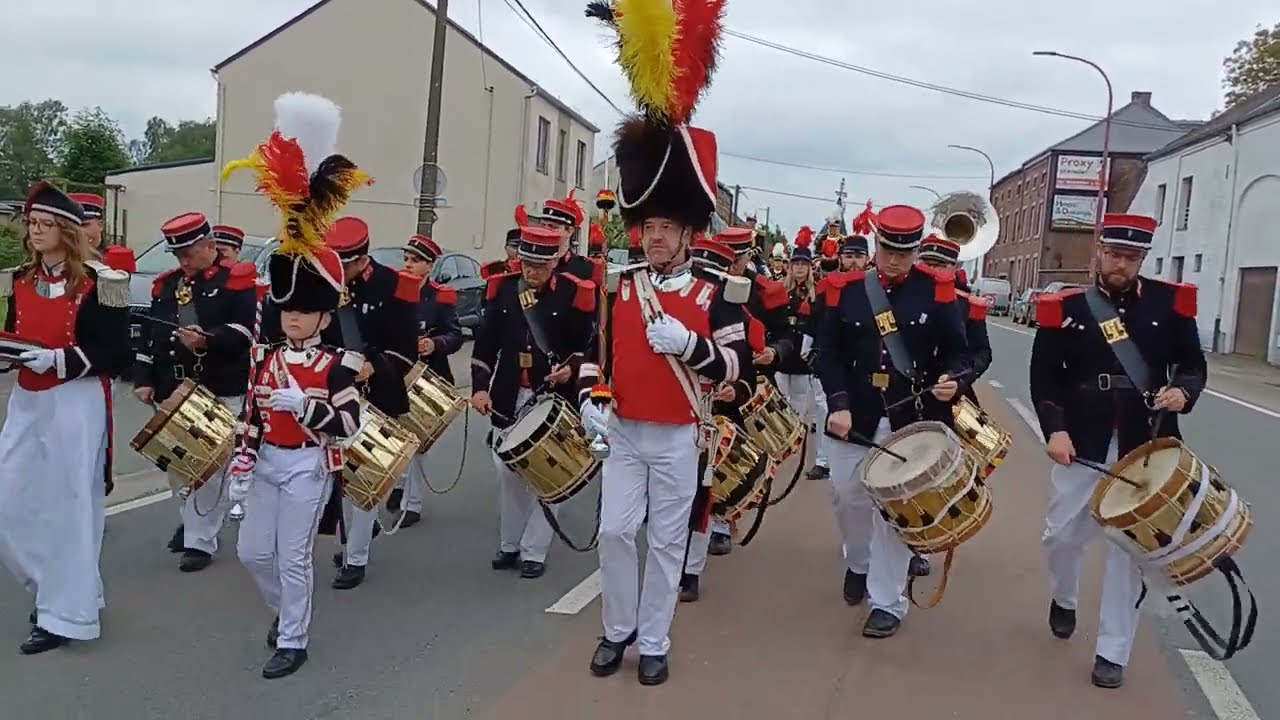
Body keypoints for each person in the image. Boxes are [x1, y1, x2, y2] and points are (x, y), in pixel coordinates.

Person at [582, 0, 752, 683]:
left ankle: (653, 640)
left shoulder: (715, 289)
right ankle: (616, 629)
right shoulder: (619, 285)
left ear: (687, 233)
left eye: (665, 229)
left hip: (681, 432)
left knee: (665, 541)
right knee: (615, 533)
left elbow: (736, 365)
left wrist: (692, 345)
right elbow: (603, 355)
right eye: (645, 227)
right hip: (624, 430)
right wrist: (597, 392)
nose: (653, 237)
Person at [220, 89, 372, 679]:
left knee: (293, 557)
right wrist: (241, 456)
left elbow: (350, 424)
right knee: (252, 553)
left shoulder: (338, 363)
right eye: (287, 312)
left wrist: (307, 406)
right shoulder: (265, 355)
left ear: (324, 316)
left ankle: (293, 638)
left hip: (309, 465)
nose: (293, 319)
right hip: (264, 466)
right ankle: (285, 615)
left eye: (304, 312)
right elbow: (251, 417)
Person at [1030, 213, 1206, 689]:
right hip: (1081, 437)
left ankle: (1113, 649)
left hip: (1146, 439)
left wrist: (1183, 393)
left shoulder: (1172, 304)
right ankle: (1063, 595)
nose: (1121, 265)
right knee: (1061, 537)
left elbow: (1192, 365)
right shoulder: (1065, 306)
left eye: (1131, 258)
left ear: (1143, 259)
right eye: (1114, 255)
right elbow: (1045, 377)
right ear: (1099, 253)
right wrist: (1055, 430)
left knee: (1130, 549)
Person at [814, 204, 970, 638]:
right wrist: (838, 402)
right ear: (877, 244)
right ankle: (858, 562)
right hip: (854, 411)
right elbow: (826, 353)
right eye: (887, 250)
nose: (895, 259)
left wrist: (952, 380)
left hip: (911, 415)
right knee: (847, 497)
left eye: (904, 252)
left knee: (898, 511)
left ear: (917, 249)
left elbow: (960, 352)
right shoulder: (843, 290)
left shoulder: (936, 291)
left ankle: (888, 601)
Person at [0, 181, 131, 654]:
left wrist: (60, 361)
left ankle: (65, 612)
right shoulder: (18, 279)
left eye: (45, 225)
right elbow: (17, 333)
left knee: (72, 505)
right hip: (27, 399)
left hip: (76, 401)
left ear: (67, 231)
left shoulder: (103, 281)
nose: (35, 232)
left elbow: (117, 353)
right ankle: (58, 586)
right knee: (8, 501)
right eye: (32, 224)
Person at [469, 225, 596, 579]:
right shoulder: (505, 290)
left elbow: (588, 345)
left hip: (554, 396)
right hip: (510, 393)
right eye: (526, 264)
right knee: (505, 471)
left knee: (551, 474)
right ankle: (509, 543)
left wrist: (571, 370)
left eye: (538, 266)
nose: (530, 272)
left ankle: (533, 550)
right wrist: (480, 387)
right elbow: (485, 345)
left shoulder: (575, 293)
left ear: (555, 260)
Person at [133, 212, 258, 572]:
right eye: (178, 254)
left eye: (189, 252)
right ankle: (192, 522)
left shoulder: (234, 281)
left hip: (218, 385)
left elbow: (248, 332)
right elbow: (151, 338)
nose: (183, 261)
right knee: (177, 464)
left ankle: (201, 540)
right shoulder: (166, 286)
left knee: (210, 466)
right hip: (174, 389)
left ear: (209, 246)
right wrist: (144, 378)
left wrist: (209, 341)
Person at [324, 216, 421, 590]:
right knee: (337, 478)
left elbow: (406, 352)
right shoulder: (327, 286)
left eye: (345, 264)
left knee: (362, 477)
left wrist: (374, 366)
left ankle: (356, 557)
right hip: (336, 391)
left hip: (378, 393)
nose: (340, 272)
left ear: (362, 259)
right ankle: (354, 537)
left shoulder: (396, 287)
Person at [677, 236, 758, 602]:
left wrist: (734, 388)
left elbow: (743, 368)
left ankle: (690, 569)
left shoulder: (729, 307)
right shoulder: (671, 298)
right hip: (670, 406)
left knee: (699, 492)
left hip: (711, 411)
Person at [384, 234, 464, 525]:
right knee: (394, 437)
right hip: (394, 375)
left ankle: (412, 505)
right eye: (406, 259)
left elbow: (456, 335)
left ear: (429, 266)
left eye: (415, 260)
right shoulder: (392, 293)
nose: (408, 264)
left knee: (417, 444)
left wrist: (435, 344)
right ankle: (400, 484)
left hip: (426, 380)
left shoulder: (439, 298)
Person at [537, 191, 602, 284]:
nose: (546, 230)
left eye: (553, 227)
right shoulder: (530, 263)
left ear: (570, 231)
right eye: (543, 225)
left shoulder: (585, 268)